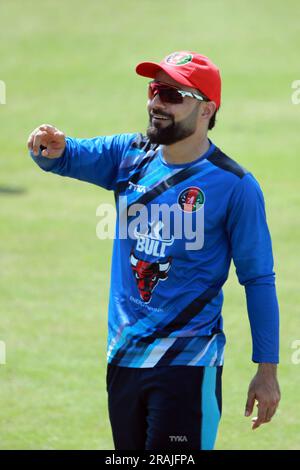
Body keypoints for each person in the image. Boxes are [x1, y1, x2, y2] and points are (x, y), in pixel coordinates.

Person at [27, 51, 281, 450]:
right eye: (154, 90)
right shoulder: (128, 156)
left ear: (206, 110)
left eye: (171, 94)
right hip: (123, 361)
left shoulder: (235, 186)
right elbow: (68, 155)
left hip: (187, 365)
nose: (156, 102)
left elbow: (258, 279)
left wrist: (266, 371)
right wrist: (49, 147)